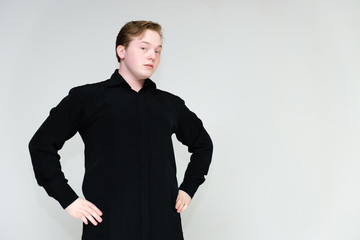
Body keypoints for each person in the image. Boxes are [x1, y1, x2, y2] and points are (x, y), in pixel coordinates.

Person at [29, 20, 213, 240]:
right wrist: (67, 199)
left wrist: (188, 188)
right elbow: (41, 145)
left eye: (158, 50)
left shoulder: (170, 105)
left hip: (163, 228)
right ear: (121, 50)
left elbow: (203, 144)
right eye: (144, 48)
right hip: (110, 228)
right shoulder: (87, 99)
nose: (152, 55)